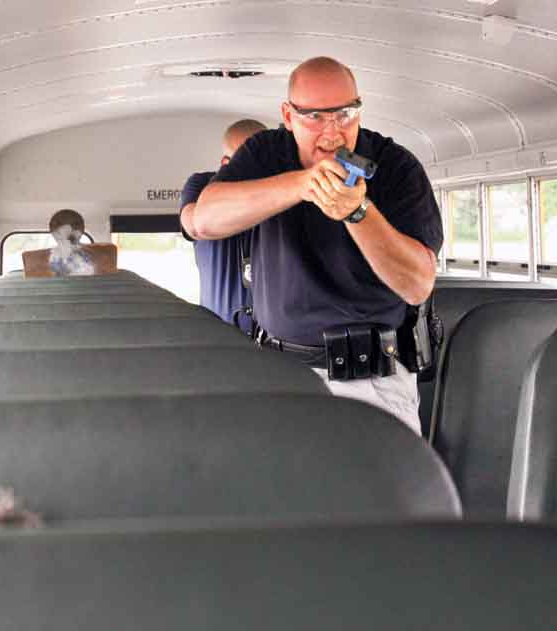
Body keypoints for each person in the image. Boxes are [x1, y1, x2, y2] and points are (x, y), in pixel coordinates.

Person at [192, 57, 442, 434]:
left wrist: (358, 212)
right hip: (278, 376)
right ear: (288, 116)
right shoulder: (265, 153)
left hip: (370, 379)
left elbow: (417, 284)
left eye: (345, 115)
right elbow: (204, 221)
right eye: (314, 118)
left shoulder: (396, 166)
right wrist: (301, 185)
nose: (333, 134)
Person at [180, 119, 267, 333]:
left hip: (277, 339)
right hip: (219, 334)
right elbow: (194, 225)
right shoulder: (200, 184)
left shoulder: (281, 191)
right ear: (225, 163)